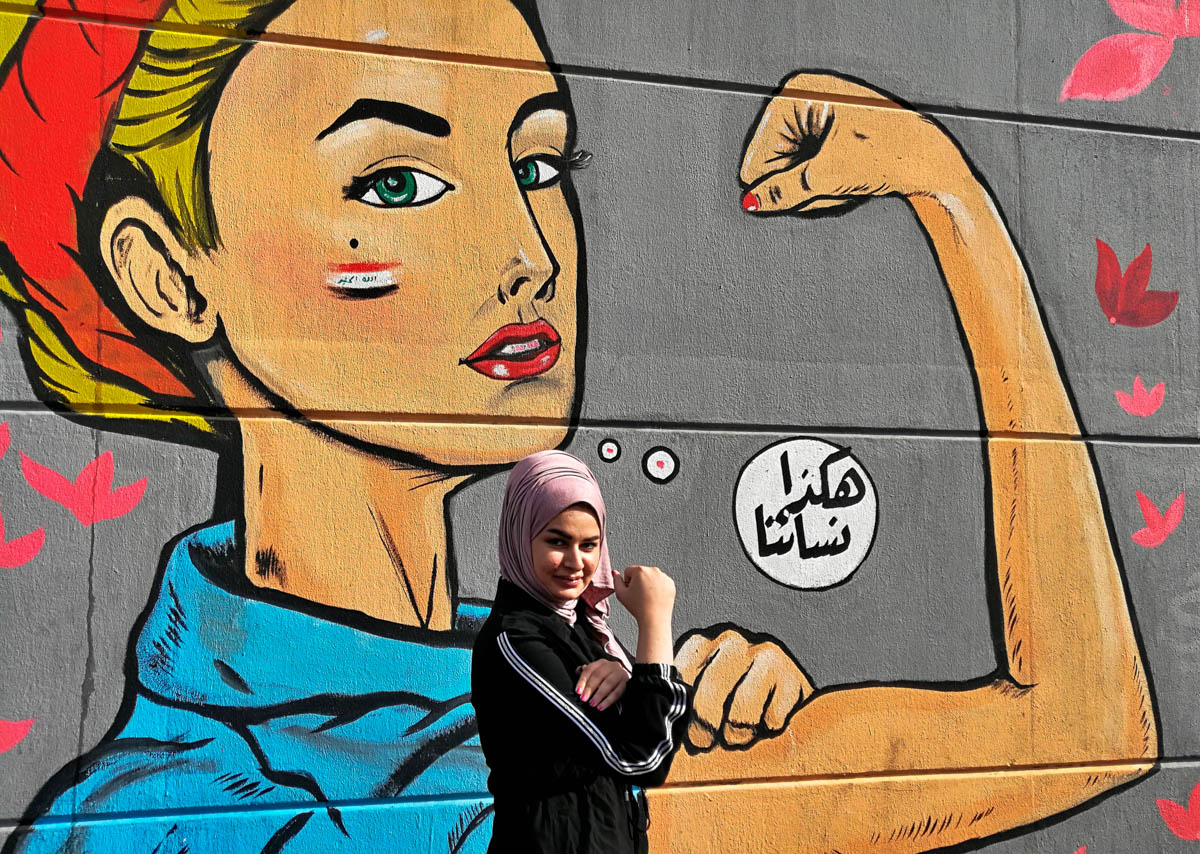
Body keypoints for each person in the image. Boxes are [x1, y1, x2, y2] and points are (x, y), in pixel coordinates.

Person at [0, 0, 1156, 851]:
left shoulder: (492, 670)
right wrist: (950, 199)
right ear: (165, 276)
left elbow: (1080, 729)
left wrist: (941, 183)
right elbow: (1073, 725)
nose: (528, 251)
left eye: (541, 160)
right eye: (397, 181)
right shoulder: (241, 804)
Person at [472, 451, 692, 854]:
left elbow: (632, 734)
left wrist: (627, 679)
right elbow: (642, 759)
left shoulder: (581, 627)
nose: (576, 562)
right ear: (520, 536)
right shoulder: (517, 642)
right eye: (557, 541)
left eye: (589, 545)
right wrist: (655, 621)